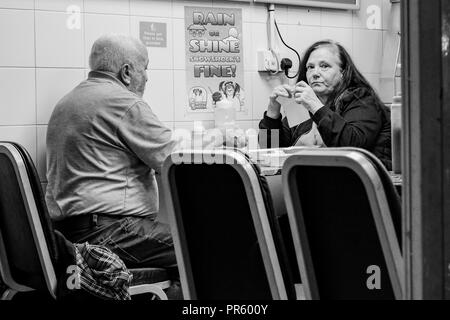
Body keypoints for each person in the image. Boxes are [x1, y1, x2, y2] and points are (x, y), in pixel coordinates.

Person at [45, 34, 181, 298]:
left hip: (68, 235)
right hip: (110, 231)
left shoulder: (67, 102)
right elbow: (174, 160)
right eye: (146, 68)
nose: (147, 78)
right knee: (200, 243)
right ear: (127, 72)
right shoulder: (124, 102)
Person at [259, 39, 392, 170]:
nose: (315, 73)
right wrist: (272, 112)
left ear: (343, 72)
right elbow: (268, 153)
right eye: (310, 67)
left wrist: (316, 106)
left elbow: (352, 147)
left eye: (324, 66)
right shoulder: (301, 106)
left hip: (360, 185)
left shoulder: (362, 99)